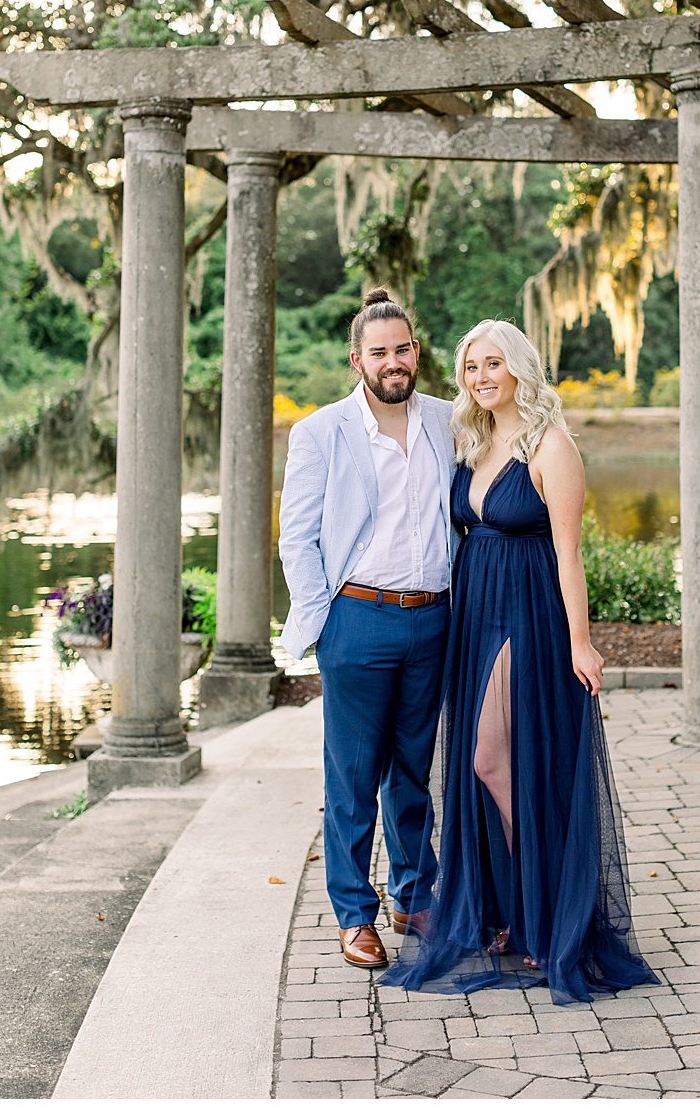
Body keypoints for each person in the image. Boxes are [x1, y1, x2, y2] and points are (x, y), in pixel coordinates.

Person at [379, 319, 655, 1003]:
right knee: (485, 766)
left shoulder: (550, 445)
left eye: (493, 363)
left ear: (519, 368)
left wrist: (581, 641)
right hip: (475, 614)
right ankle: (505, 914)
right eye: (471, 366)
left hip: (528, 614)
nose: (480, 377)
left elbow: (568, 553)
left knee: (497, 759)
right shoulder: (471, 442)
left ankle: (543, 919)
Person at [279, 288, 458, 969]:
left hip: (434, 619)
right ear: (358, 359)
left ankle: (415, 897)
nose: (393, 361)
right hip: (358, 619)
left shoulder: (448, 419)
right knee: (352, 776)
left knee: (413, 773)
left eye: (403, 349)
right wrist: (326, 619)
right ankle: (354, 915)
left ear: (417, 352)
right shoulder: (321, 432)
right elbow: (296, 538)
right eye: (380, 352)